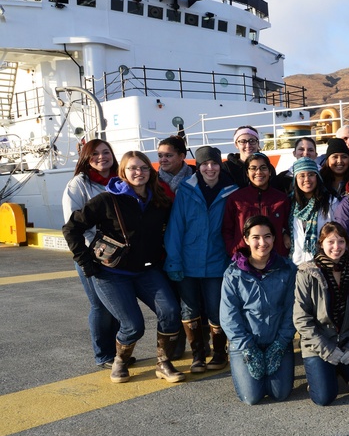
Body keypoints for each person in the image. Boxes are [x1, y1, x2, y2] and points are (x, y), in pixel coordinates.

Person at [63, 151, 184, 384]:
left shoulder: (159, 200)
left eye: (144, 168)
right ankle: (120, 360)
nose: (139, 172)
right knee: (133, 326)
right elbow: (71, 228)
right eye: (133, 168)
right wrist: (86, 262)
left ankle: (163, 362)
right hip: (111, 273)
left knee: (170, 311)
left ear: (151, 171)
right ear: (123, 172)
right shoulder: (107, 200)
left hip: (147, 270)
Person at [163, 146, 238, 373]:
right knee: (190, 310)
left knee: (216, 310)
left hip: (217, 263)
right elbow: (175, 229)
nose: (210, 168)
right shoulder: (186, 190)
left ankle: (218, 352)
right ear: (198, 166)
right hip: (188, 262)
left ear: (220, 164)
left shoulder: (231, 191)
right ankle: (197, 355)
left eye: (214, 163)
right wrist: (174, 262)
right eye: (205, 164)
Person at [294, 221, 349, 405]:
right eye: (330, 242)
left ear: (347, 244)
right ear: (321, 244)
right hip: (319, 343)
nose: (336, 247)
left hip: (347, 339)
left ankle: (341, 369)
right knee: (324, 398)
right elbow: (301, 319)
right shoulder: (307, 272)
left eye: (340, 241)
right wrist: (327, 350)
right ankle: (322, 373)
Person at [220, 216, 297, 405]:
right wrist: (247, 347)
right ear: (246, 239)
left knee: (280, 394)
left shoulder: (287, 269)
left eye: (267, 236)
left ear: (274, 238)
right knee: (252, 397)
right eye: (256, 237)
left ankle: (273, 371)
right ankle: (246, 369)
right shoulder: (233, 273)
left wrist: (280, 344)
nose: (262, 242)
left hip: (278, 342)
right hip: (245, 345)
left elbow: (292, 310)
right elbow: (229, 316)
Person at [61, 139, 121, 368]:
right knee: (100, 306)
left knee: (116, 306)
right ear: (86, 158)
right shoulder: (79, 184)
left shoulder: (119, 180)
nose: (101, 157)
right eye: (94, 154)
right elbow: (72, 224)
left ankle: (117, 352)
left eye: (106, 152)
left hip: (118, 255)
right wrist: (89, 254)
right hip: (93, 254)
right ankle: (104, 355)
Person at [222, 153, 292, 258]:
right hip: (244, 260)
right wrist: (234, 250)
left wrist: (285, 235)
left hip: (276, 261)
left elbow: (289, 226)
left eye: (263, 168)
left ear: (269, 172)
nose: (258, 172)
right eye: (253, 168)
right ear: (247, 172)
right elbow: (227, 229)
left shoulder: (281, 199)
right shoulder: (236, 199)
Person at [289, 157, 340, 265]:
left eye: (311, 175)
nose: (307, 179)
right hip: (297, 264)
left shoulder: (331, 202)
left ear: (318, 177)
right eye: (302, 175)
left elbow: (339, 232)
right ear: (295, 179)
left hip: (324, 264)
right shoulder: (290, 203)